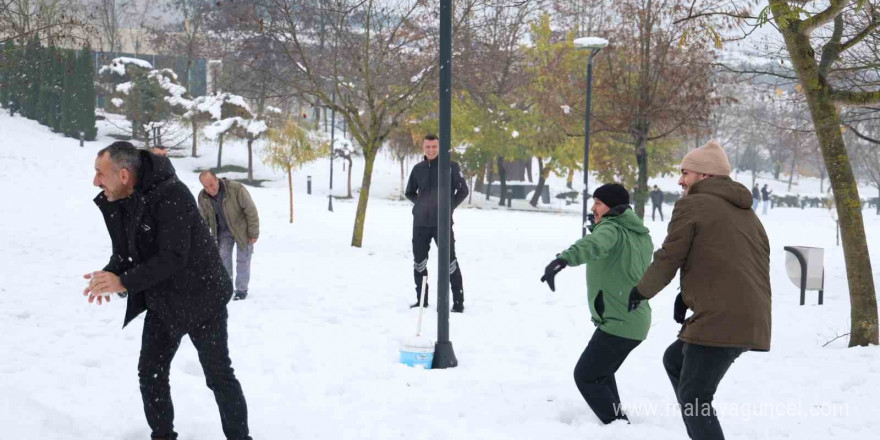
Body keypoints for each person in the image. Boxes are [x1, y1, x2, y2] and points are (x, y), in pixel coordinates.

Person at [84, 141, 252, 440]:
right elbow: (127, 253)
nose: (96, 181)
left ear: (123, 175)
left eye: (100, 173)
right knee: (150, 372)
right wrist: (110, 274)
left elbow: (173, 256)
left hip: (203, 298)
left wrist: (124, 282)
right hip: (164, 301)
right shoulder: (123, 199)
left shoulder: (172, 194)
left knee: (218, 376)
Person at [627, 140, 771, 440]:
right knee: (675, 360)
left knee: (694, 396)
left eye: (686, 173)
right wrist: (687, 294)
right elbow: (726, 260)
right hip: (747, 315)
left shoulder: (693, 204)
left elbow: (670, 256)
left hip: (721, 317)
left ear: (704, 175)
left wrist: (640, 292)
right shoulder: (746, 213)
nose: (680, 181)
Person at [540, 183, 653, 425]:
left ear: (612, 208)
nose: (593, 208)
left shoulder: (611, 229)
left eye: (599, 203)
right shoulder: (640, 236)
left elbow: (593, 244)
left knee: (586, 376)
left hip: (619, 321)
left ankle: (617, 426)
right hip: (633, 318)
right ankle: (619, 423)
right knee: (601, 374)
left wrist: (562, 260)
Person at [405, 134, 469, 312]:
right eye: (428, 147)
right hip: (419, 224)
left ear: (439, 147)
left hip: (442, 224)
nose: (431, 150)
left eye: (434, 147)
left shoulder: (450, 167)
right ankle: (421, 300)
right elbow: (409, 192)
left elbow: (463, 190)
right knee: (419, 262)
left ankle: (458, 303)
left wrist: (448, 207)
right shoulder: (418, 169)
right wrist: (421, 205)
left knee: (450, 262)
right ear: (423, 148)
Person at [198, 170, 260, 301]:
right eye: (206, 186)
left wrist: (253, 233)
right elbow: (203, 219)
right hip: (223, 232)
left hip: (242, 230)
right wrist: (201, 238)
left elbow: (251, 210)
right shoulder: (203, 197)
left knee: (243, 260)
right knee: (223, 258)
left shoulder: (236, 189)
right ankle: (227, 288)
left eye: (211, 184)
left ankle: (242, 290)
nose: (210, 189)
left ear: (217, 179)